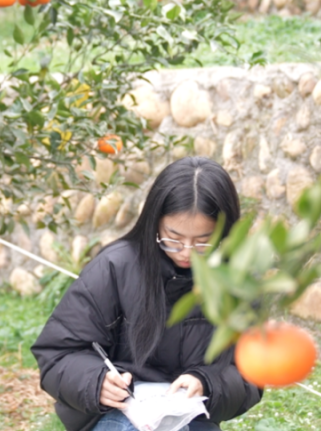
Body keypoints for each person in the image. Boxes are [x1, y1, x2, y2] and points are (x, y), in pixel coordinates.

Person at [31, 157, 262, 431]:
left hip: (191, 418)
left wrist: (206, 382)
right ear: (155, 221)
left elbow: (250, 373)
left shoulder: (237, 282)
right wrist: (96, 382)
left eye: (203, 242)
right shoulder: (115, 267)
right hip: (118, 414)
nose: (186, 252)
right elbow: (58, 351)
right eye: (173, 238)